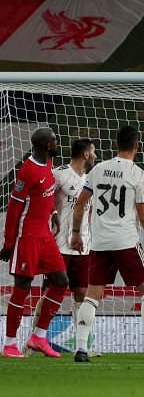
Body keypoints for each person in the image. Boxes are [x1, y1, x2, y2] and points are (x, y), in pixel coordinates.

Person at [70, 125, 144, 363]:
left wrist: (76, 233)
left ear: (116, 144)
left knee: (93, 294)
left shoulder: (98, 169)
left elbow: (79, 204)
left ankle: (80, 349)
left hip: (99, 242)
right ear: (137, 146)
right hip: (126, 241)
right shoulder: (138, 174)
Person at [0, 128, 69, 358]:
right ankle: (9, 344)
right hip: (26, 237)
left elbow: (44, 196)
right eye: (54, 140)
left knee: (60, 280)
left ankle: (38, 337)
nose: (57, 142)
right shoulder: (27, 171)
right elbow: (14, 209)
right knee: (23, 287)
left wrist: (53, 213)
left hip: (45, 236)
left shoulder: (48, 163)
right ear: (45, 145)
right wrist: (9, 242)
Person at [30, 139, 100, 357]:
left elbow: (89, 211)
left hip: (83, 248)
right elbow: (43, 199)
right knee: (49, 293)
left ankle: (83, 345)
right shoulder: (60, 174)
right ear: (86, 154)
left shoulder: (91, 179)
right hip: (59, 245)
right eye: (94, 152)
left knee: (81, 294)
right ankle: (33, 340)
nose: (96, 156)